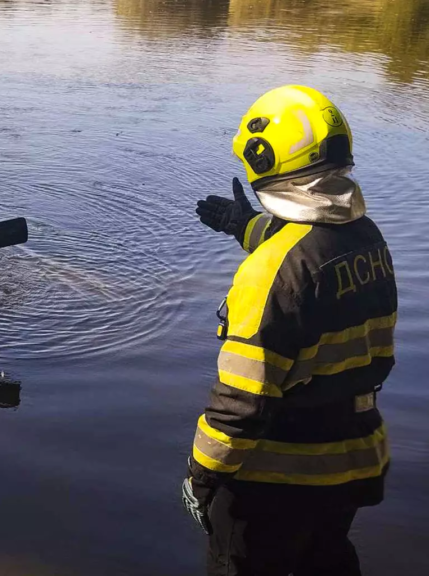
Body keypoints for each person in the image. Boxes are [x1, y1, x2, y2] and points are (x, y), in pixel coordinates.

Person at [183, 85, 396, 576]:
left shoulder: (267, 276)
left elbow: (240, 404)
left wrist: (201, 476)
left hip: (273, 484)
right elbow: (311, 248)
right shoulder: (366, 239)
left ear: (266, 160)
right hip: (352, 463)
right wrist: (245, 226)